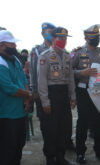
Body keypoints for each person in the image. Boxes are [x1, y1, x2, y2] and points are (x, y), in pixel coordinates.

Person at [71, 24, 100, 164]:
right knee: (83, 123)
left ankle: (99, 150)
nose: (96, 39)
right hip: (83, 91)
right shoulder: (78, 52)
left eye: (98, 37)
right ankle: (80, 153)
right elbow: (68, 72)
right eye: (93, 37)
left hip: (99, 92)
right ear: (86, 38)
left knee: (99, 122)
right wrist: (82, 72)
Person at [37, 27, 76, 165]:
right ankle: (50, 158)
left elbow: (70, 77)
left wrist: (73, 96)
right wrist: (45, 102)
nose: (63, 41)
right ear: (53, 39)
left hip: (64, 94)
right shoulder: (45, 56)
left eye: (65, 38)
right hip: (51, 94)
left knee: (64, 128)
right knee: (50, 129)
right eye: (60, 38)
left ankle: (61, 156)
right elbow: (41, 81)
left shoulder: (66, 55)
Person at [0, 30, 32, 165]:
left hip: (20, 110)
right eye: (11, 44)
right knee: (8, 148)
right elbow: (9, 88)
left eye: (14, 44)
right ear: (1, 45)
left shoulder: (16, 61)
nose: (14, 46)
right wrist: (28, 94)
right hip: (7, 113)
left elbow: (24, 79)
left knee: (19, 144)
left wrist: (27, 97)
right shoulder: (1, 63)